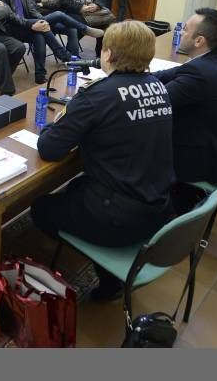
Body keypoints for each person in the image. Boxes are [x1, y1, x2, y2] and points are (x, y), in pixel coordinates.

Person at [31, 21, 175, 300]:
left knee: (41, 207)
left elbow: (49, 148)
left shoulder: (98, 94)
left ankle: (97, 268)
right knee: (75, 189)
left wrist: (60, 119)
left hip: (118, 219)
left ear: (107, 54)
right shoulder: (158, 86)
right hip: (158, 208)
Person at [153, 8, 217, 184]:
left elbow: (157, 101)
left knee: (137, 137)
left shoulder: (201, 73)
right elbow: (169, 74)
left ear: (199, 41)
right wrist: (135, 72)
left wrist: (122, 85)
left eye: (185, 29)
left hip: (207, 163)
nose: (181, 32)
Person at [0, 0, 75, 84]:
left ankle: (40, 76)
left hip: (24, 25)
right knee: (55, 17)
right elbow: (9, 16)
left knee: (39, 35)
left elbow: (32, 10)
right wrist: (33, 24)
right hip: (9, 28)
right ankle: (65, 56)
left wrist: (42, 21)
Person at [0, 0, 102, 58]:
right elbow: (34, 9)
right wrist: (48, 6)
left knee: (72, 28)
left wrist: (43, 4)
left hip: (47, 18)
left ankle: (74, 59)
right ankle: (83, 30)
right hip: (36, 20)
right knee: (58, 14)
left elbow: (57, 3)